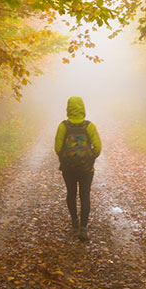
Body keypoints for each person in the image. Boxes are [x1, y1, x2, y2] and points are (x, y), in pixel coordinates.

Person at [54, 96, 102, 241]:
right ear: (82, 108)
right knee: (85, 195)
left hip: (68, 169)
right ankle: (83, 228)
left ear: (68, 108)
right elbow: (98, 147)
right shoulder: (89, 126)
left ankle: (74, 221)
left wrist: (65, 158)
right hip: (86, 169)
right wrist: (90, 158)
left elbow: (57, 148)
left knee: (71, 193)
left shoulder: (63, 126)